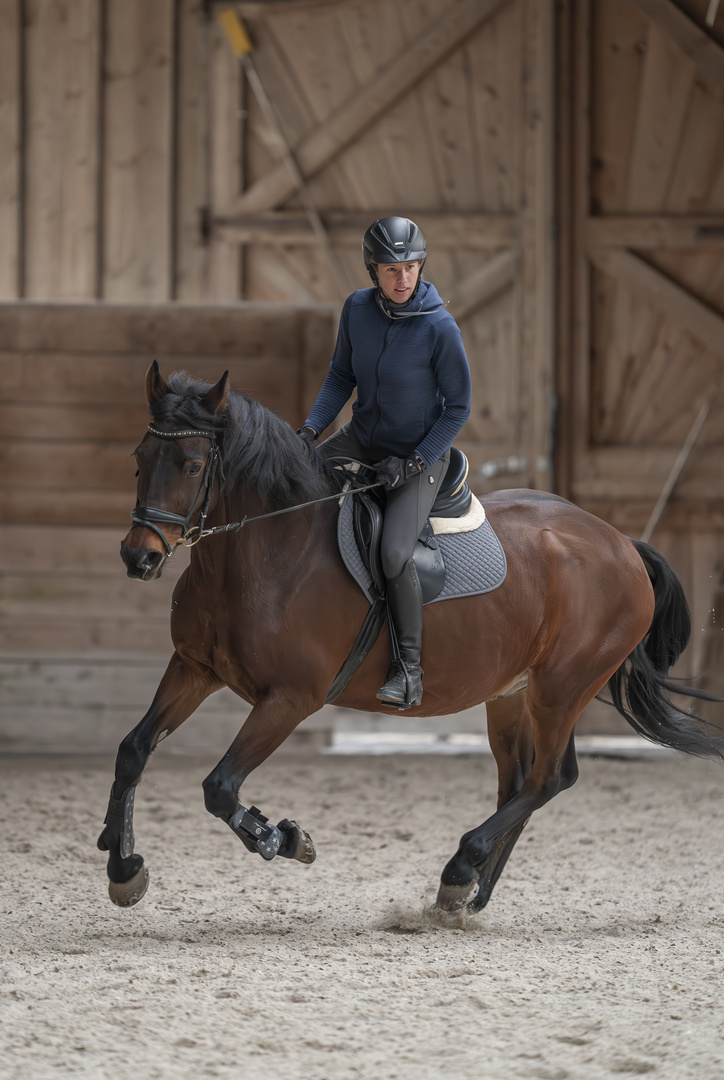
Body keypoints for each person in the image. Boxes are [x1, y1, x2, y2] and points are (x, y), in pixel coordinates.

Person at [298, 216, 472, 707]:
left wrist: (415, 461)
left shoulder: (440, 327)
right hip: (362, 438)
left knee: (395, 552)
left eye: (411, 268)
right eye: (392, 269)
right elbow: (339, 377)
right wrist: (310, 430)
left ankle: (409, 669)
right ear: (373, 270)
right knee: (293, 485)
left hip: (421, 454)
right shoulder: (357, 309)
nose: (403, 279)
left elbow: (458, 406)